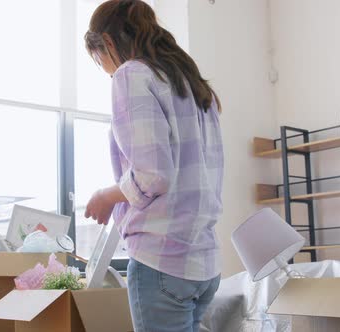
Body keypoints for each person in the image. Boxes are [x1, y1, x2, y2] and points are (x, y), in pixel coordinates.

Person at [83, 1, 223, 331]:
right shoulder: (191, 83)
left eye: (102, 60)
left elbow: (152, 175)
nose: (108, 71)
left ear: (109, 42)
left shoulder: (132, 75)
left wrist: (106, 196)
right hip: (204, 264)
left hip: (162, 262)